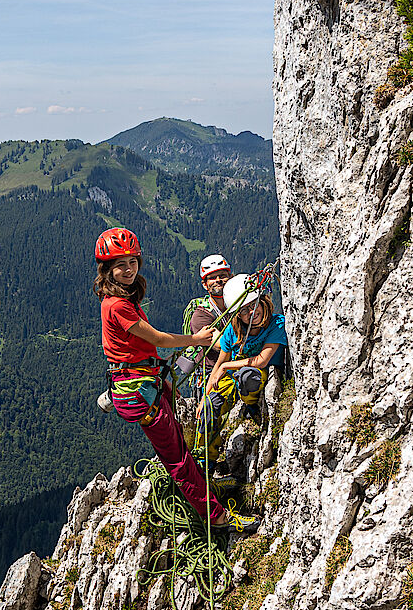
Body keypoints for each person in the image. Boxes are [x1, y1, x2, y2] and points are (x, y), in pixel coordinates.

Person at [94, 227, 259, 534]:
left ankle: (202, 485)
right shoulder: (116, 305)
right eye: (120, 263)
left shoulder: (119, 298)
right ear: (107, 269)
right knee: (178, 460)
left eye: (133, 261)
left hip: (144, 383)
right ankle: (218, 518)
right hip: (138, 391)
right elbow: (156, 337)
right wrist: (195, 339)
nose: (128, 268)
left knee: (179, 446)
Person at [197, 273, 288, 465]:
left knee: (248, 376)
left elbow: (262, 360)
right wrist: (205, 397)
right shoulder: (233, 329)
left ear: (263, 302)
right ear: (237, 314)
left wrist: (225, 366)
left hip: (260, 374)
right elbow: (219, 365)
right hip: (235, 376)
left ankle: (251, 405)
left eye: (254, 305)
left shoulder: (277, 324)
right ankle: (206, 460)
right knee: (209, 407)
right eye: (244, 311)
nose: (252, 313)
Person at [181, 255, 232, 389]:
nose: (218, 280)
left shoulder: (240, 306)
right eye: (212, 278)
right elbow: (222, 345)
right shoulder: (201, 315)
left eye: (222, 275)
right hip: (211, 373)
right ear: (205, 284)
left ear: (230, 277)